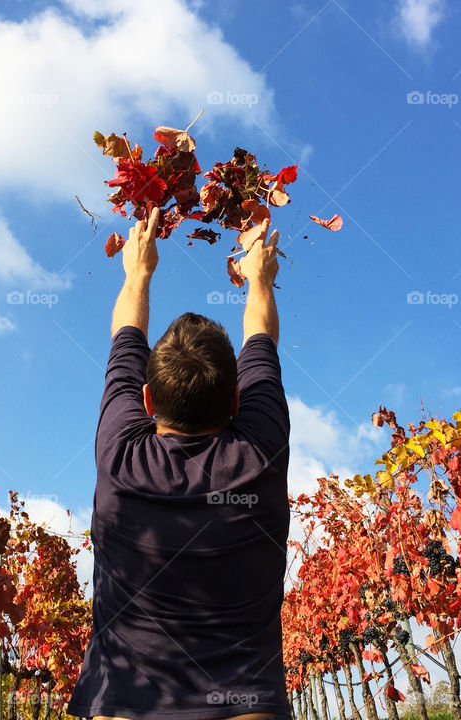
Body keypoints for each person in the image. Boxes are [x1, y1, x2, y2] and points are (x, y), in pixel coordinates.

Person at [66, 206, 292, 720]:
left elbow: (125, 337)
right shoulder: (260, 452)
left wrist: (137, 272)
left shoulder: (119, 454)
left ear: (146, 402)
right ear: (237, 402)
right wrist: (258, 278)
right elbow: (262, 338)